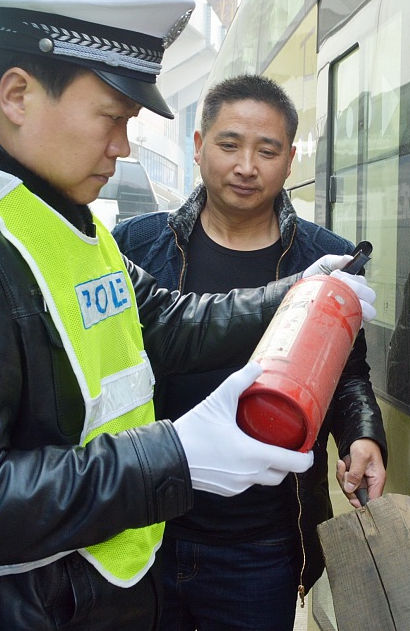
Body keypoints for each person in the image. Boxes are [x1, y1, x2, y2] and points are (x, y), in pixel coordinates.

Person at [0, 0, 376, 631]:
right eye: (110, 117)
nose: (120, 146)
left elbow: (167, 324)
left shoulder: (60, 225)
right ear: (18, 95)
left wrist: (296, 292)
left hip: (86, 599)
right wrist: (175, 455)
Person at [113, 74, 388, 630]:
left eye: (266, 151)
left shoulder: (324, 256)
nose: (246, 166)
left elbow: (347, 374)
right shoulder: (135, 246)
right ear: (197, 146)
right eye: (229, 144)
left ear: (289, 160)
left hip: (262, 543)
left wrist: (363, 434)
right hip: (147, 528)